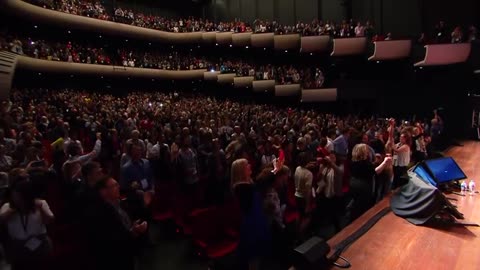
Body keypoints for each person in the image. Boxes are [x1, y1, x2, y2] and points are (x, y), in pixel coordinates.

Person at [85, 176, 147, 270]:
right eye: (114, 185)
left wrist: (134, 227)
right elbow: (112, 240)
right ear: (103, 192)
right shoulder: (101, 213)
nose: (118, 187)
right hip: (116, 259)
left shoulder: (118, 203)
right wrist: (133, 232)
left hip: (129, 252)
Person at [0, 172, 54, 270]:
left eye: (19, 196)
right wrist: (12, 211)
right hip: (17, 245)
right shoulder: (7, 207)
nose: (16, 198)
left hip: (39, 241)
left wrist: (41, 209)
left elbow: (49, 221)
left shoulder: (40, 203)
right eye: (14, 196)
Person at [231, 159, 270, 270]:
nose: (250, 165)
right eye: (247, 165)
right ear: (241, 170)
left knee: (256, 256)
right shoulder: (242, 188)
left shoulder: (247, 184)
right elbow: (260, 185)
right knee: (253, 256)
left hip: (256, 219)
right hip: (252, 224)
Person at [350, 144, 392, 221]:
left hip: (354, 185)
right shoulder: (364, 163)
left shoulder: (354, 161)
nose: (368, 152)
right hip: (363, 188)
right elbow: (374, 172)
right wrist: (385, 162)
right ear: (362, 152)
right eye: (366, 150)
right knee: (364, 207)